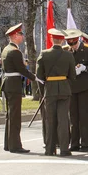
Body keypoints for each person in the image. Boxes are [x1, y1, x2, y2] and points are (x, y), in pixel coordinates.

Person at [36, 28, 76, 156]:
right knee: (63, 119)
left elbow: (39, 77)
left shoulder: (44, 54)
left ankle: (49, 149)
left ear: (52, 39)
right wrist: (65, 85)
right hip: (64, 89)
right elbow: (72, 75)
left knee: (50, 120)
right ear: (62, 40)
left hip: (50, 90)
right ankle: (64, 149)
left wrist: (43, 92)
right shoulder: (68, 55)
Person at [1, 23, 39, 153]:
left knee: (10, 115)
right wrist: (35, 78)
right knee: (15, 116)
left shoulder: (6, 49)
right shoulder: (15, 51)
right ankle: (15, 145)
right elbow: (22, 69)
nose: (22, 37)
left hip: (8, 84)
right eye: (21, 34)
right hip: (14, 84)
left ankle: (8, 143)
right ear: (15, 35)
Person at [64, 29, 88, 152]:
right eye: (70, 44)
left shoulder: (87, 49)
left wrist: (85, 68)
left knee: (84, 116)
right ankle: (74, 143)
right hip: (72, 87)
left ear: (78, 40)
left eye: (74, 44)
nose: (72, 46)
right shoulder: (66, 51)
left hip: (84, 86)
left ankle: (85, 143)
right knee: (73, 116)